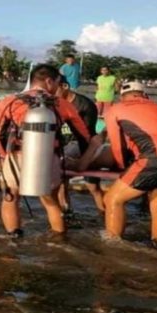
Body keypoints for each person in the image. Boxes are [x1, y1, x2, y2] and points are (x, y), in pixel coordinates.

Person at [0, 64, 92, 237]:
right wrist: (84, 160)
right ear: (49, 81)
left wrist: (3, 156)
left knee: (11, 198)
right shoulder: (62, 104)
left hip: (17, 157)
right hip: (48, 157)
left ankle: (14, 239)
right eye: (58, 83)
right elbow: (83, 135)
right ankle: (59, 239)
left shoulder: (10, 101)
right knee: (51, 201)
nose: (58, 88)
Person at [101, 81, 157, 243]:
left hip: (154, 159)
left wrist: (122, 167)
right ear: (144, 95)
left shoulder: (116, 109)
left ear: (122, 97)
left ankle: (113, 246)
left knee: (112, 199)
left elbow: (117, 146)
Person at [55, 76, 104, 212]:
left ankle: (104, 212)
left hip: (84, 145)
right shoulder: (53, 103)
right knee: (61, 183)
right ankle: (66, 215)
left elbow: (86, 135)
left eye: (55, 88)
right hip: (64, 146)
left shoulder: (85, 105)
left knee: (93, 187)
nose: (51, 91)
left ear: (65, 86)